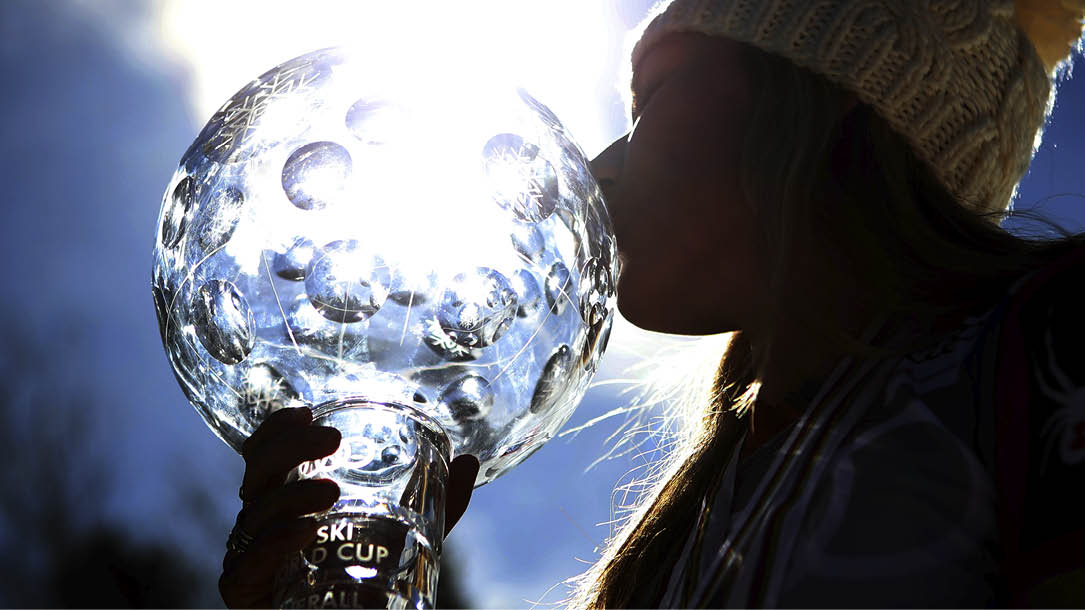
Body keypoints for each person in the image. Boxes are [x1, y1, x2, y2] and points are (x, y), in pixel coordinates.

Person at [219, 0, 1085, 607]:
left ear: (819, 100)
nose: (596, 167)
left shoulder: (1051, 346)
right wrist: (345, 590)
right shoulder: (680, 538)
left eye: (657, 94)